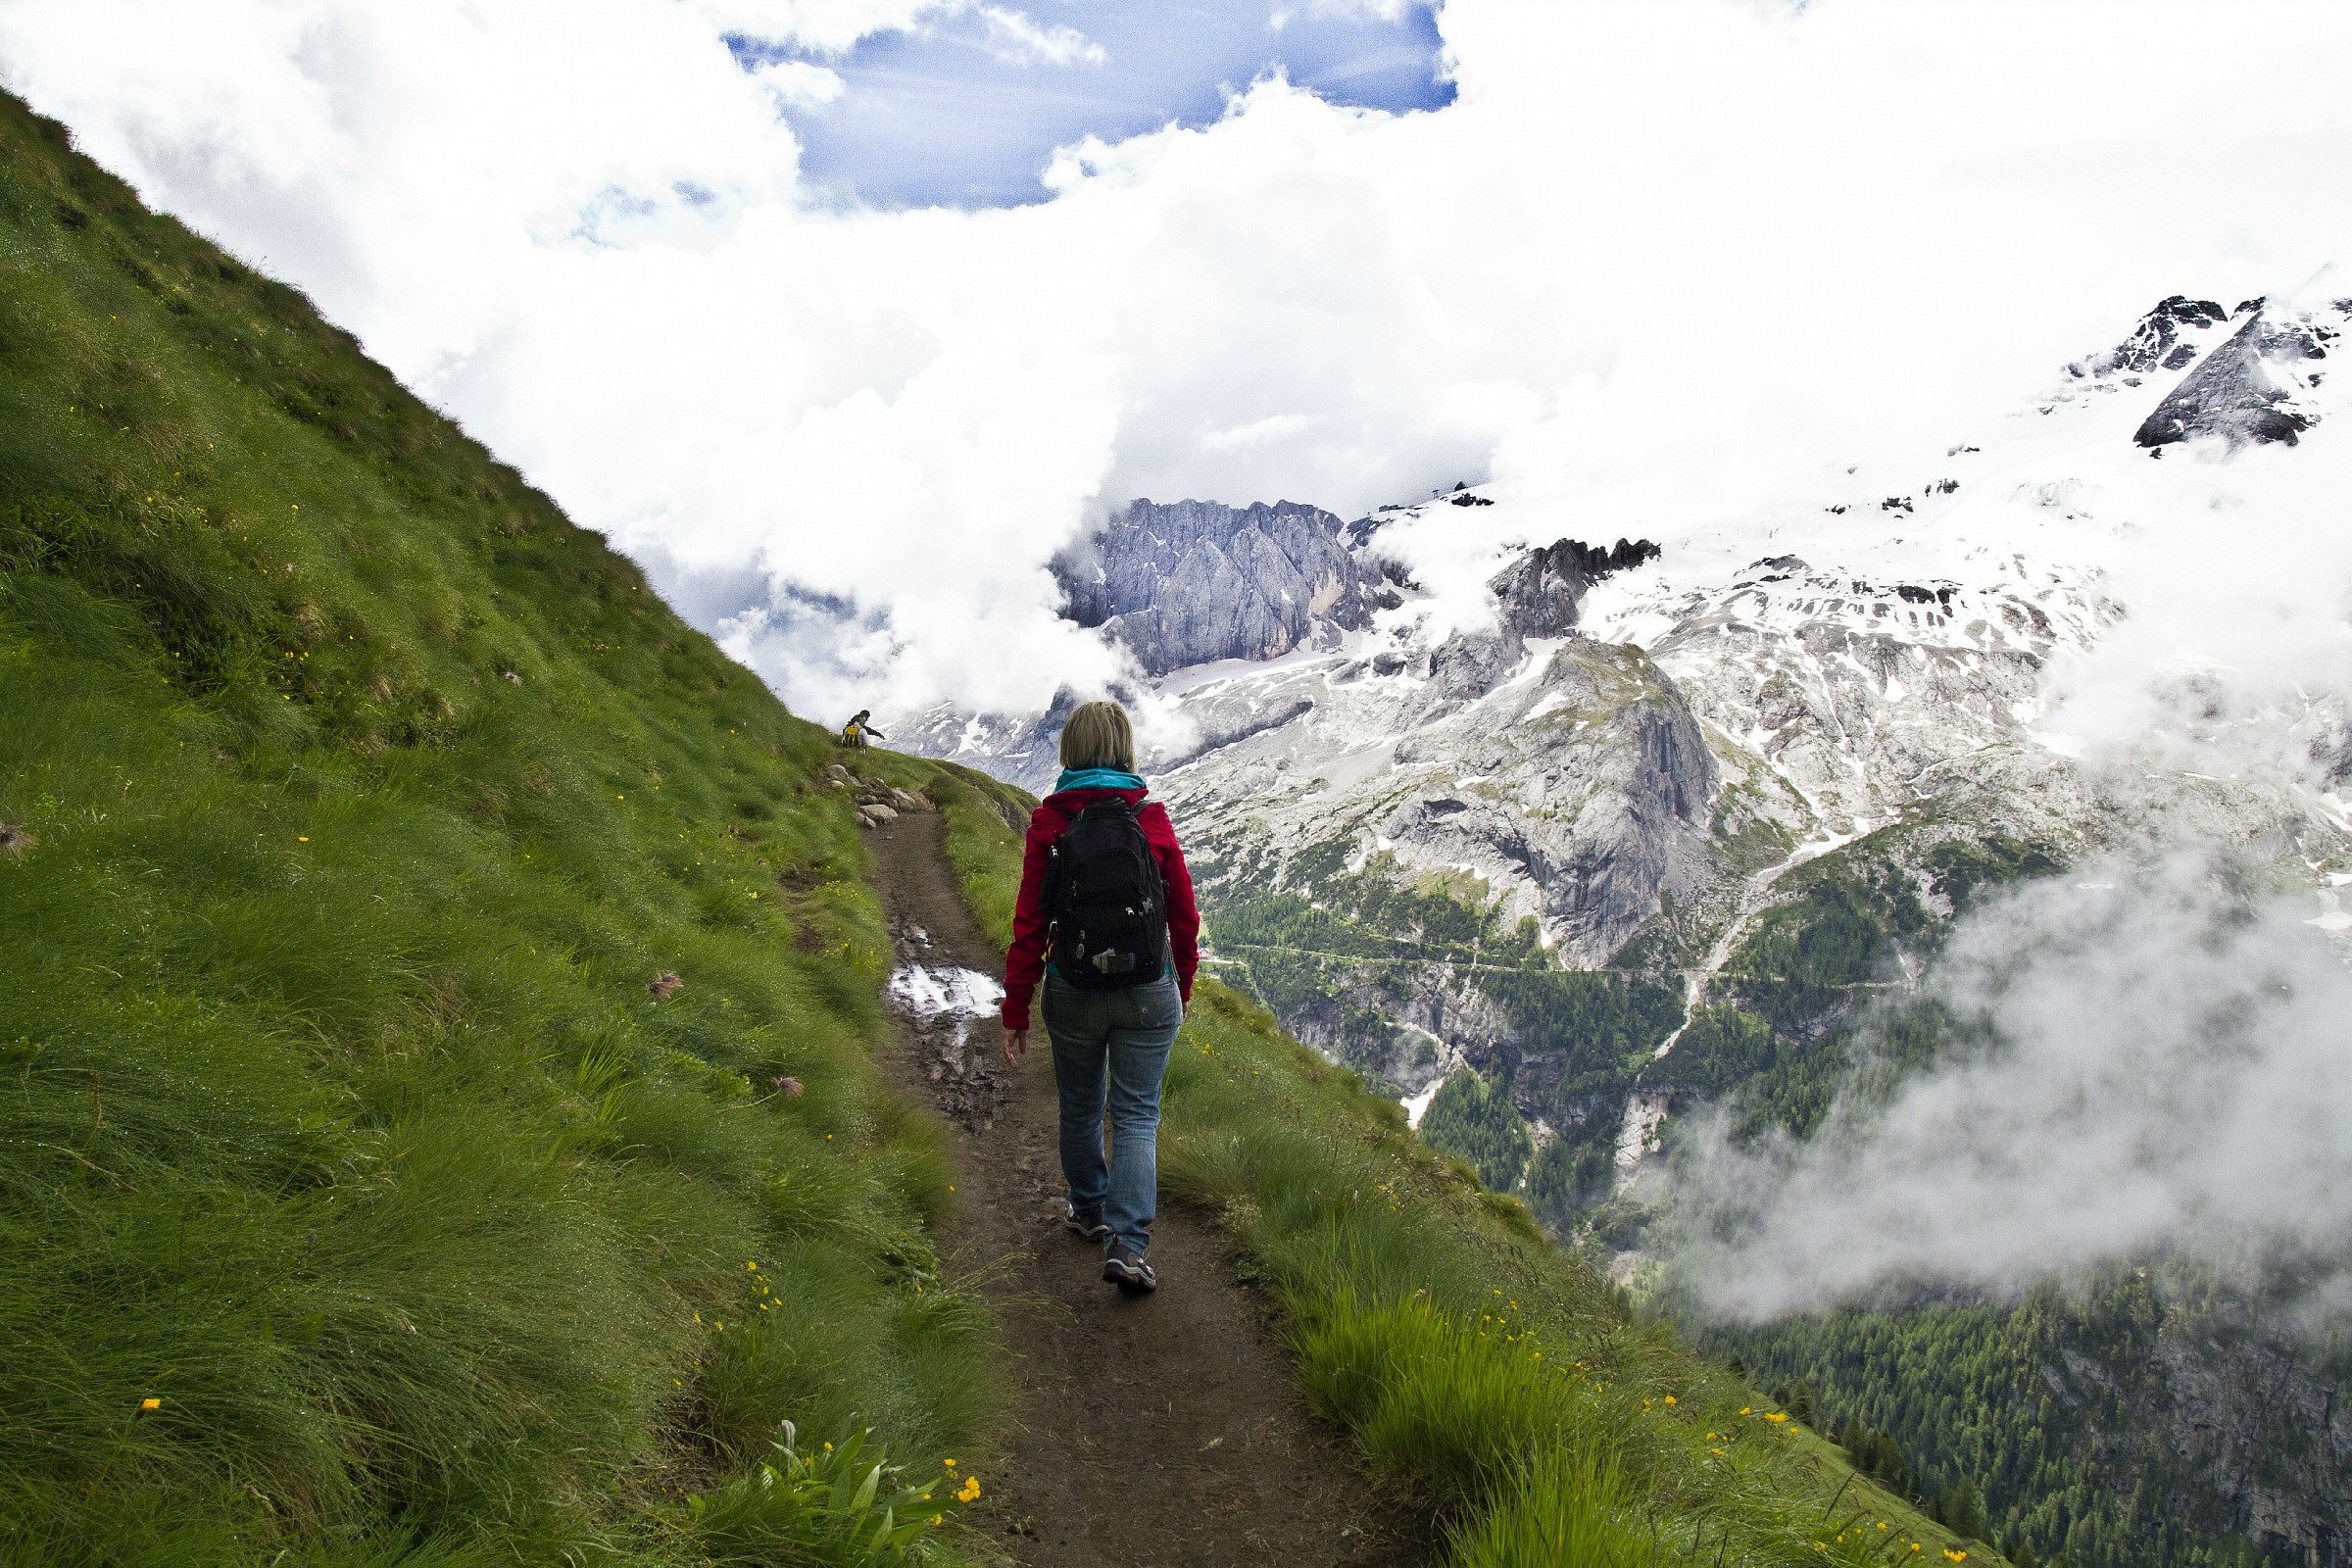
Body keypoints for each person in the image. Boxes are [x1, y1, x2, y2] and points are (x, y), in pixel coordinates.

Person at [1000, 700, 1200, 1295]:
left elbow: (1029, 925)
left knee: (1081, 1108)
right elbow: (1185, 919)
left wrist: (1015, 1008)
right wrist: (1178, 989)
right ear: (1124, 752)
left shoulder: (1048, 825)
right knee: (1137, 1117)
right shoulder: (1153, 822)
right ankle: (1129, 1245)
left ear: (1070, 753)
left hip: (1074, 989)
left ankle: (1087, 1211)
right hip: (1147, 991)